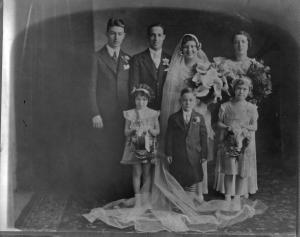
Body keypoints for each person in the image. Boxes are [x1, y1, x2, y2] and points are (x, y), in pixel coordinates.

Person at [88, 18, 131, 199]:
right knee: (106, 152)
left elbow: (131, 86)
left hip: (125, 114)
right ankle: (105, 192)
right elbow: (90, 88)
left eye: (119, 34)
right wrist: (95, 113)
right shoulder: (97, 57)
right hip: (104, 114)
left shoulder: (128, 58)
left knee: (124, 151)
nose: (116, 37)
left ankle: (123, 192)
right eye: (113, 33)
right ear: (107, 34)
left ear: (124, 36)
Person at [214, 31, 258, 198]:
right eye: (237, 42)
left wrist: (251, 106)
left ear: (248, 44)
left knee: (245, 153)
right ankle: (227, 191)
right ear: (233, 45)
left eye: (243, 42)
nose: (240, 45)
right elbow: (219, 87)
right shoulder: (225, 64)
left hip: (247, 114)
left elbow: (258, 91)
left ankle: (244, 189)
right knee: (229, 156)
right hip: (230, 114)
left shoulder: (254, 65)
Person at [159, 33, 209, 151]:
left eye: (192, 46)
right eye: (186, 47)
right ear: (181, 49)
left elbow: (209, 90)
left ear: (197, 48)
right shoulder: (175, 68)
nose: (189, 50)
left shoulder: (204, 67)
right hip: (178, 106)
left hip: (198, 107)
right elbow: (170, 91)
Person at [217, 77, 258, 211]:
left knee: (242, 170)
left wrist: (245, 128)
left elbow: (255, 126)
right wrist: (228, 127)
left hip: (245, 143)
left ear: (249, 91)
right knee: (229, 170)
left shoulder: (251, 107)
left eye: (245, 89)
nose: (241, 92)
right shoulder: (225, 106)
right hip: (229, 141)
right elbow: (218, 123)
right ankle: (228, 194)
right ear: (234, 90)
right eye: (239, 89)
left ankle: (238, 196)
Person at [165, 88, 207, 202]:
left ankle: (189, 200)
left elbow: (203, 137)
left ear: (195, 102)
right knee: (179, 177)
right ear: (180, 101)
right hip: (179, 154)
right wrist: (168, 153)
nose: (187, 103)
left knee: (192, 176)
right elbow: (169, 136)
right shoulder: (173, 118)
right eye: (184, 100)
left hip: (194, 154)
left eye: (190, 100)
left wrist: (204, 155)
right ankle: (180, 201)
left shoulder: (199, 117)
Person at [121, 84, 160, 207]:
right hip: (134, 146)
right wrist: (132, 130)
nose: (141, 102)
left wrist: (149, 129)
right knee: (137, 172)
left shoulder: (153, 113)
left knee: (147, 171)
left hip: (148, 145)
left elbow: (157, 131)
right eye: (138, 99)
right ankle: (137, 197)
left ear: (148, 100)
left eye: (144, 100)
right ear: (134, 100)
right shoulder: (130, 114)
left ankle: (146, 196)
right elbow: (125, 132)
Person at [130, 23, 171, 110]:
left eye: (159, 35)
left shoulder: (171, 60)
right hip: (144, 107)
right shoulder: (137, 59)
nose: (156, 39)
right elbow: (134, 86)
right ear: (148, 37)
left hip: (165, 107)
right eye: (153, 35)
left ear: (164, 37)